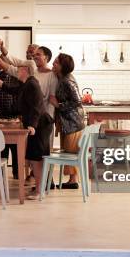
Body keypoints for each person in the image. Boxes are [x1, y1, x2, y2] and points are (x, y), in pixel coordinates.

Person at [0, 63, 53, 200]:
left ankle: (39, 191)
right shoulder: (27, 83)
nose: (16, 71)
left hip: (40, 125)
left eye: (18, 69)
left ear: (25, 70)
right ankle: (39, 189)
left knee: (37, 159)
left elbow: (37, 107)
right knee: (34, 158)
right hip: (36, 124)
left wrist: (32, 126)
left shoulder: (32, 84)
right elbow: (13, 90)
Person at [49, 53, 85, 189]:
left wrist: (59, 105)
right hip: (69, 122)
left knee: (71, 151)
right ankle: (72, 180)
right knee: (69, 150)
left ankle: (73, 181)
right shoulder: (62, 78)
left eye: (56, 63)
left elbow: (77, 101)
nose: (53, 64)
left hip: (73, 122)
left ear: (62, 66)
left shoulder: (67, 80)